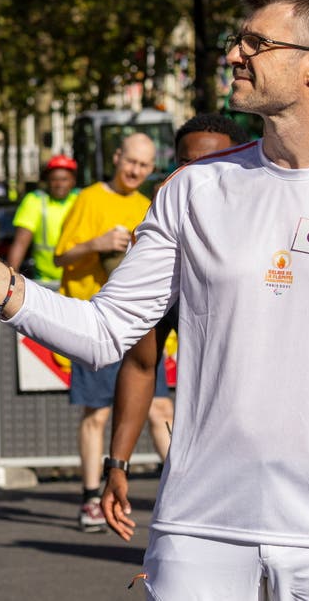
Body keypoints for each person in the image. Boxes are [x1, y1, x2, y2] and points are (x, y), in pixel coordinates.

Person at [0, 0, 309, 598]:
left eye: (256, 42)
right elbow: (105, 331)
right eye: (237, 39)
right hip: (200, 529)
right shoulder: (193, 189)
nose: (234, 53)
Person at [100, 113, 249, 542]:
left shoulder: (273, 242)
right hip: (201, 466)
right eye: (184, 163)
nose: (193, 175)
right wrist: (118, 465)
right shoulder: (166, 260)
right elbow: (140, 365)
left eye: (211, 164)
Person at [51, 132, 169, 532]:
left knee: (161, 409)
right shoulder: (89, 199)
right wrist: (96, 244)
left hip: (142, 326)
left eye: (144, 165)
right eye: (131, 161)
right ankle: (90, 499)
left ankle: (181, 491)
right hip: (95, 321)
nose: (136, 171)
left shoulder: (148, 204)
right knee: (97, 414)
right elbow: (60, 256)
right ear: (117, 158)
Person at [5, 154, 79, 282]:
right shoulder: (35, 201)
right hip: (46, 282)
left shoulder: (81, 199)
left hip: (79, 281)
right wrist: (11, 279)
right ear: (47, 181)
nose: (59, 184)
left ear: (73, 181)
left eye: (64, 179)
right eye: (54, 179)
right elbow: (20, 243)